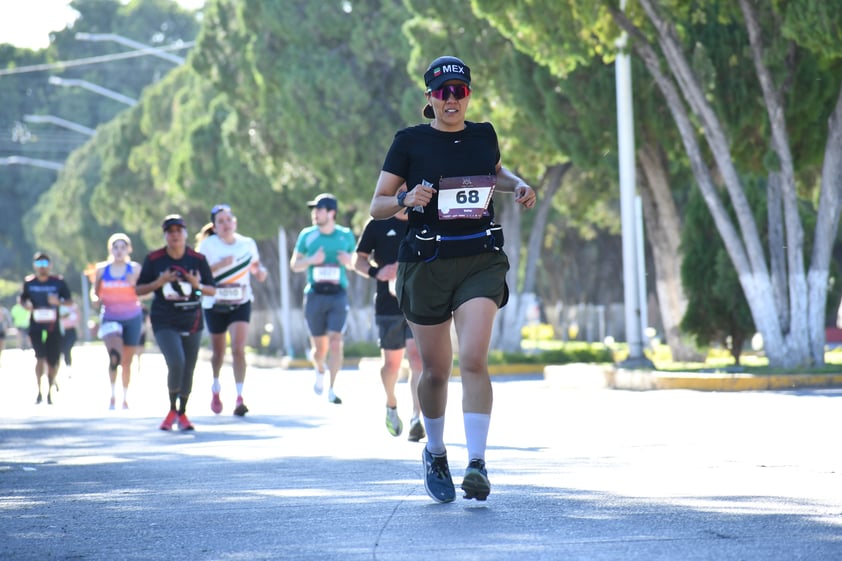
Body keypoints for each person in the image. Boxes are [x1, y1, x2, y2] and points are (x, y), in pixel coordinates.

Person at [369, 56, 537, 503]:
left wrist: (517, 184)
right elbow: (378, 204)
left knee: (475, 360)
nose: (451, 100)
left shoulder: (484, 134)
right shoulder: (409, 141)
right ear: (430, 98)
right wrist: (405, 197)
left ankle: (478, 463)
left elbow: (493, 173)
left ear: (468, 95)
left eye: (458, 91)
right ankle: (436, 451)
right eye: (442, 92)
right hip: (426, 262)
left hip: (480, 257)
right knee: (437, 370)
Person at [136, 215, 215, 431]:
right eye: (170, 232)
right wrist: (159, 282)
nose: (175, 235)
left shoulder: (197, 259)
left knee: (189, 368)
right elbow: (139, 289)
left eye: (178, 231)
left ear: (185, 234)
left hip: (192, 319)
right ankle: (172, 408)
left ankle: (182, 412)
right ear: (165, 236)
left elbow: (212, 289)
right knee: (176, 362)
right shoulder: (154, 259)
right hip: (164, 319)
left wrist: (195, 284)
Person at [353, 209, 424, 441]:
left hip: (420, 301)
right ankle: (391, 404)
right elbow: (358, 260)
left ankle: (417, 417)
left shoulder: (424, 219)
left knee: (417, 358)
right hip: (388, 304)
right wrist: (377, 271)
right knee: (392, 365)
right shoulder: (377, 224)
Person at [197, 204, 268, 416]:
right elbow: (198, 274)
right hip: (215, 304)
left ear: (234, 222)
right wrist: (219, 265)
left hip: (241, 301)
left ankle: (239, 397)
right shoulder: (208, 246)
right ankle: (216, 387)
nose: (226, 224)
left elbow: (255, 265)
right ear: (215, 226)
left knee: (238, 348)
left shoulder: (247, 243)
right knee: (218, 352)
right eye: (221, 222)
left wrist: (260, 272)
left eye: (229, 220)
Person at [290, 193, 357, 405]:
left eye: (318, 209)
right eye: (313, 210)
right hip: (315, 294)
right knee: (319, 349)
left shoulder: (345, 235)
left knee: (336, 341)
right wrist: (312, 260)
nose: (314, 214)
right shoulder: (307, 235)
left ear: (331, 213)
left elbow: (356, 262)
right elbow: (295, 264)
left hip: (338, 294)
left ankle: (332, 387)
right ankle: (319, 369)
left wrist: (349, 261)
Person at [93, 233, 145, 410]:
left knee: (127, 361)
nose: (119, 251)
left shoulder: (135, 269)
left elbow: (145, 291)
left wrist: (134, 285)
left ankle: (125, 396)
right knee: (115, 357)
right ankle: (112, 394)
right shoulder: (101, 270)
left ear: (128, 250)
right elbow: (96, 293)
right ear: (110, 249)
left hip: (132, 317)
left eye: (123, 247)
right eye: (116, 247)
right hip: (110, 317)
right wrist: (95, 300)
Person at [20, 252, 72, 405]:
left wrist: (59, 302)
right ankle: (39, 391)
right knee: (39, 357)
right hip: (36, 325)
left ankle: (50, 389)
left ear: (50, 265)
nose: (42, 267)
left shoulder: (58, 282)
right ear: (35, 266)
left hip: (53, 325)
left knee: (53, 360)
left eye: (45, 264)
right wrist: (26, 306)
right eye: (39, 264)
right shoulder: (29, 282)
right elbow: (22, 299)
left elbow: (69, 301)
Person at [59, 299, 80, 370]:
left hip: (71, 331)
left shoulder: (73, 306)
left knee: (67, 349)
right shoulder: (59, 306)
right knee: (63, 350)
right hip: (61, 331)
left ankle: (68, 366)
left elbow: (77, 317)